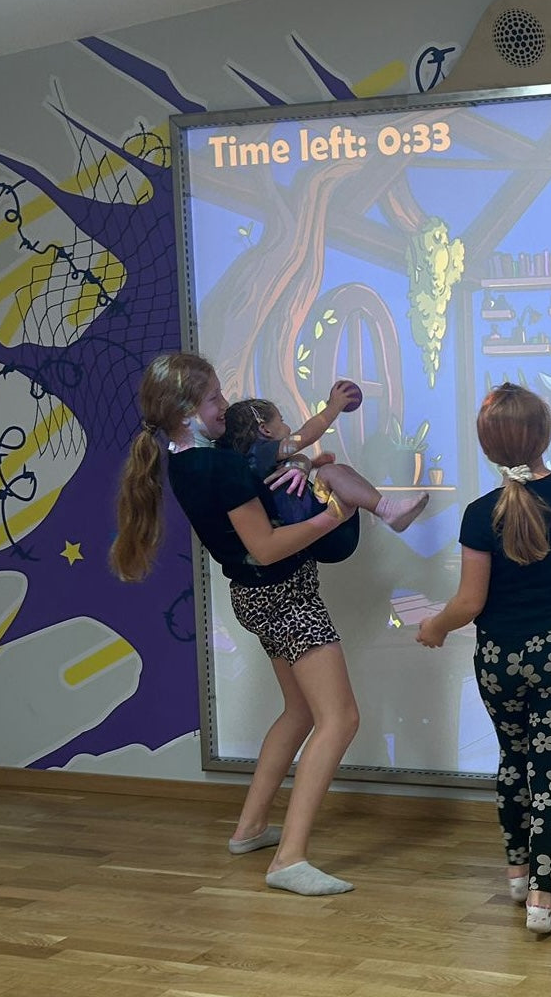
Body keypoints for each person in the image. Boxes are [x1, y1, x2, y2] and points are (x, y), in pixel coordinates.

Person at [110, 352, 362, 896]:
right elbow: (267, 549)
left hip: (253, 599)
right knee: (339, 719)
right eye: (213, 400)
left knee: (299, 711)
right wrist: (332, 515)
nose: (224, 407)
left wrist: (295, 466)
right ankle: (289, 858)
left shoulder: (186, 462)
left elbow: (271, 467)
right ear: (183, 411)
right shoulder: (217, 467)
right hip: (283, 596)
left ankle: (250, 829)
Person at [416, 383, 551, 937]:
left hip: (499, 656)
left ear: (488, 445)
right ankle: (542, 904)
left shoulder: (480, 514)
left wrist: (433, 627)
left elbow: (470, 603)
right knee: (550, 775)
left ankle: (517, 876)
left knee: (510, 761)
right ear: (545, 434)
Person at [221, 384, 428, 563]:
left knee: (340, 471)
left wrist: (309, 462)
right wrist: (335, 405)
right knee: (331, 472)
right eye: (281, 420)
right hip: (322, 535)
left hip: (320, 535)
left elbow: (283, 479)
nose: (288, 427)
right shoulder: (259, 451)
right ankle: (387, 510)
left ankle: (387, 510)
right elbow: (307, 434)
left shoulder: (257, 462)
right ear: (265, 430)